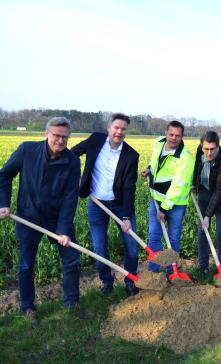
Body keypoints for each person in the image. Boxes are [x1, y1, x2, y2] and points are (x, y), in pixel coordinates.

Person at [0, 117, 81, 324]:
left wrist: (63, 230)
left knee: (71, 259)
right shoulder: (27, 151)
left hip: (56, 218)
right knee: (26, 265)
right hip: (28, 217)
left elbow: (70, 197)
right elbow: (4, 175)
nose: (60, 141)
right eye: (56, 135)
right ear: (46, 133)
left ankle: (71, 304)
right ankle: (28, 307)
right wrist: (4, 203)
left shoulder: (72, 161)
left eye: (65, 137)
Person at [71, 113, 140, 296]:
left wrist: (126, 217)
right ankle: (106, 281)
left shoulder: (131, 155)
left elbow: (129, 188)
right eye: (116, 127)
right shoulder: (95, 140)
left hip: (119, 205)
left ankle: (131, 281)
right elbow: (72, 154)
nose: (119, 131)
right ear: (109, 127)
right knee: (99, 247)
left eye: (123, 129)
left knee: (131, 246)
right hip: (97, 203)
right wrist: (74, 176)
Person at [141, 120, 194, 272]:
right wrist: (149, 169)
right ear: (166, 133)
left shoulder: (185, 157)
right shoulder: (158, 142)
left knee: (173, 239)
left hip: (175, 204)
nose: (173, 138)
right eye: (171, 134)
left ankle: (172, 273)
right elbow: (156, 162)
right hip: (156, 199)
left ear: (182, 137)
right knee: (153, 236)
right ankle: (154, 273)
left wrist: (164, 208)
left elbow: (178, 186)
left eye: (177, 135)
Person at [192, 130, 221, 273]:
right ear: (202, 146)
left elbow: (219, 191)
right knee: (202, 229)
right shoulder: (200, 150)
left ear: (218, 147)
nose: (208, 153)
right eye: (206, 149)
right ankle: (203, 266)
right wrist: (194, 183)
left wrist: (208, 216)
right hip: (204, 192)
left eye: (212, 149)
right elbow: (197, 166)